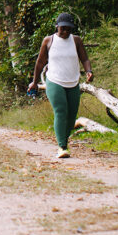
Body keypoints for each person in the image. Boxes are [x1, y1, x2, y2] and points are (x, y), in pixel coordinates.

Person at [27, 12, 94, 159]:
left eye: (68, 29)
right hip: (54, 80)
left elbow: (85, 58)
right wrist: (34, 81)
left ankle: (64, 139)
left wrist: (88, 71)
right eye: (62, 28)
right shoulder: (49, 41)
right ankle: (62, 147)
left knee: (71, 118)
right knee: (61, 110)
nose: (65, 32)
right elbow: (40, 62)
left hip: (73, 82)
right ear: (57, 26)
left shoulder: (76, 40)